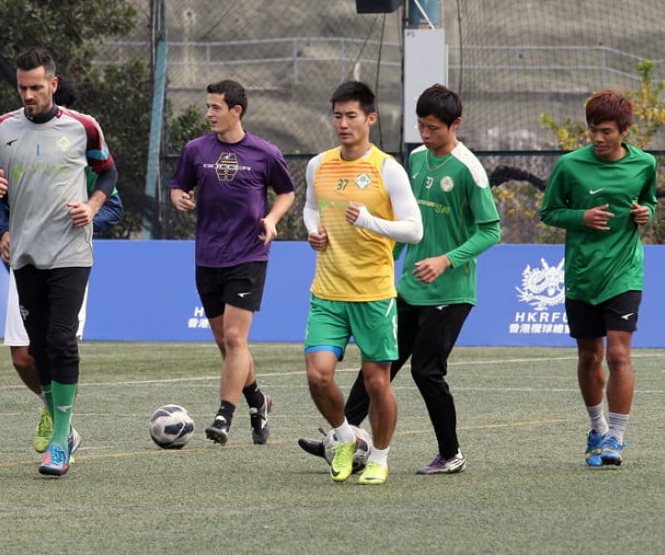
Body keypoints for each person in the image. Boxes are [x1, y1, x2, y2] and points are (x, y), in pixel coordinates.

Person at [298, 84, 501, 475]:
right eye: (421, 126)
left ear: (454, 125)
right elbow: (397, 221)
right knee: (378, 372)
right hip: (405, 285)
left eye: (434, 128)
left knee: (426, 370)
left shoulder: (469, 168)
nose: (425, 135)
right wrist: (387, 261)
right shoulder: (418, 159)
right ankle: (346, 436)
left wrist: (446, 260)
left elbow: (490, 231)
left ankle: (450, 452)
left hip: (450, 289)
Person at [0, 47, 116, 477]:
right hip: (26, 254)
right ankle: (63, 430)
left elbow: (108, 174)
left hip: (72, 252)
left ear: (53, 84)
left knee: (60, 339)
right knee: (35, 350)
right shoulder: (0, 129)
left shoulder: (83, 127)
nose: (29, 95)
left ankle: (60, 440)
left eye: (37, 87)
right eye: (23, 87)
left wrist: (92, 206)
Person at [301, 80, 423, 486]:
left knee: (376, 383)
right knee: (318, 376)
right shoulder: (318, 164)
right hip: (327, 292)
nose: (343, 123)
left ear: (370, 118)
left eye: (351, 115)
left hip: (373, 294)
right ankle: (343, 437)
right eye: (337, 115)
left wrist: (369, 222)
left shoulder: (387, 169)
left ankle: (381, 457)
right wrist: (312, 231)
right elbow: (309, 207)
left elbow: (414, 230)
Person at [169, 79, 295, 446]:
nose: (209, 113)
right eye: (208, 107)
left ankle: (224, 416)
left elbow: (286, 192)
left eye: (216, 108)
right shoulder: (195, 150)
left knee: (236, 337)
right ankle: (259, 401)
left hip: (249, 253)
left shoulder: (265, 152)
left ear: (235, 111)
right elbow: (179, 185)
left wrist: (272, 219)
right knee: (227, 346)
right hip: (208, 256)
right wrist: (179, 197)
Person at [539, 89, 656, 467]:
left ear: (624, 130)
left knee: (620, 354)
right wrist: (581, 217)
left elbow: (649, 200)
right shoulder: (570, 166)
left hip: (624, 272)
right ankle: (597, 427)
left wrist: (645, 213)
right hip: (581, 274)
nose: (598, 138)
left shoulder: (644, 164)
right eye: (593, 130)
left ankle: (617, 439)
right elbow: (550, 212)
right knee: (591, 356)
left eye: (606, 131)